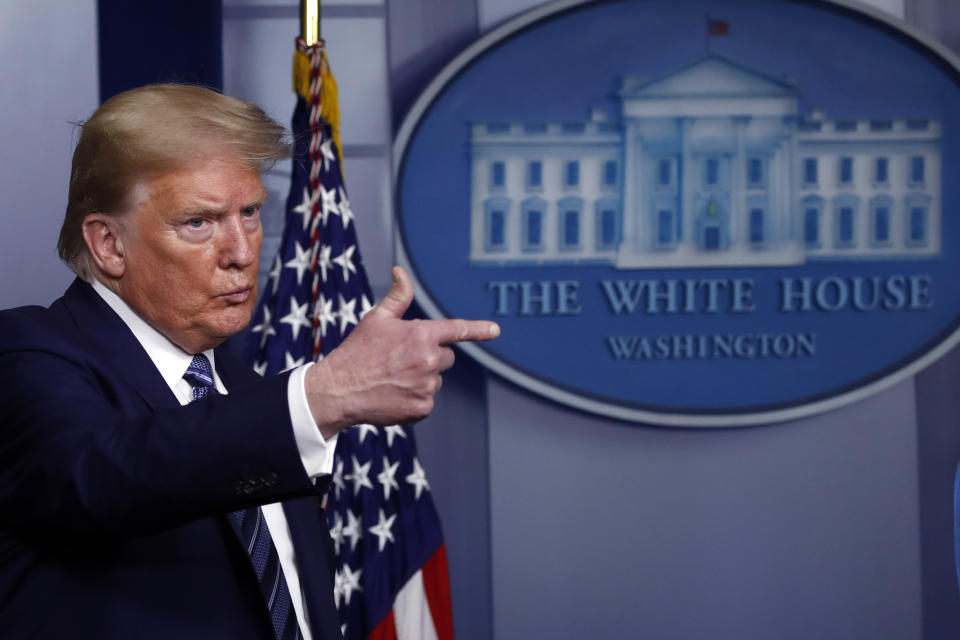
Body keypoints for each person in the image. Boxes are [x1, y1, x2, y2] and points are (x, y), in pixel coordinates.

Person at [0, 84, 499, 639]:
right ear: (109, 245)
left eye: (251, 212)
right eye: (199, 222)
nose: (241, 251)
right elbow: (105, 474)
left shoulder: (247, 389)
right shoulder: (24, 352)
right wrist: (324, 394)